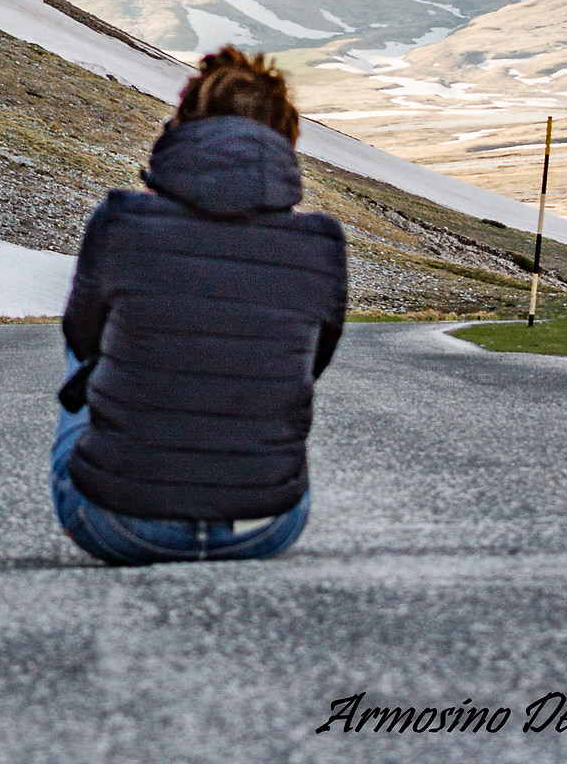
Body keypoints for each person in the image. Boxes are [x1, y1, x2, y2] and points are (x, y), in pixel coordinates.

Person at [51, 44, 347, 566]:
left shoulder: (121, 220)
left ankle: (134, 483)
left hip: (118, 524)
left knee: (85, 361)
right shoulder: (321, 243)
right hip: (267, 526)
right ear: (285, 140)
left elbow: (82, 337)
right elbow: (313, 365)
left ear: (181, 127)